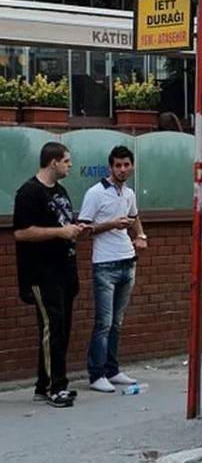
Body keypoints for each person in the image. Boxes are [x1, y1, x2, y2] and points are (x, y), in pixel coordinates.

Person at [12, 142, 89, 408]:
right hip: (42, 273)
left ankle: (44, 385)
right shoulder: (29, 192)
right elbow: (21, 232)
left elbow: (62, 223)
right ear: (53, 162)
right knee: (52, 327)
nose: (70, 165)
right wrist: (60, 232)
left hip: (65, 269)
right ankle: (55, 387)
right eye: (66, 161)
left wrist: (74, 229)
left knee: (62, 329)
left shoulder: (60, 190)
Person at [78, 145, 147, 394]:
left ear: (132, 166)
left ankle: (112, 369)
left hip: (127, 261)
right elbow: (83, 228)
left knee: (117, 322)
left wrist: (140, 235)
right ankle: (96, 374)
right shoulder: (95, 193)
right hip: (105, 265)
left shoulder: (129, 193)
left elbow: (134, 217)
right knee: (104, 323)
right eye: (118, 165)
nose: (122, 169)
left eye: (126, 165)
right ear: (110, 167)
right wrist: (111, 224)